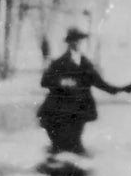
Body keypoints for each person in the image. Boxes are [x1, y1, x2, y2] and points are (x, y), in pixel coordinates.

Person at [37, 27, 120, 155]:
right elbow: (45, 81)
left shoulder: (85, 63)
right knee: (60, 143)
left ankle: (74, 165)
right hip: (60, 107)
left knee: (75, 141)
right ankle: (59, 160)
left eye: (78, 41)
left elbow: (98, 81)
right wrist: (61, 82)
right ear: (68, 42)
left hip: (80, 107)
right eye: (73, 41)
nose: (76, 43)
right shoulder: (58, 62)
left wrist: (117, 90)